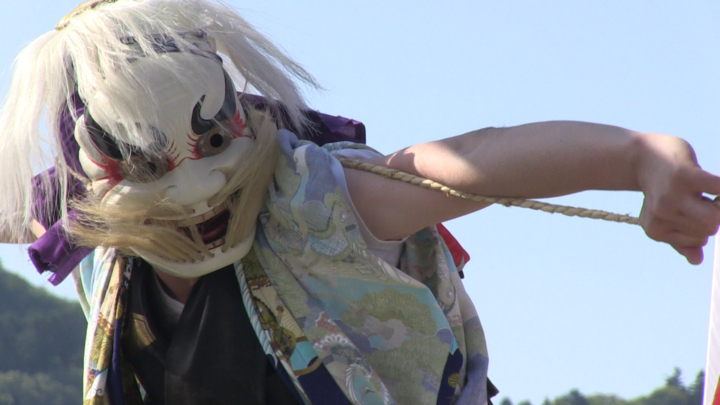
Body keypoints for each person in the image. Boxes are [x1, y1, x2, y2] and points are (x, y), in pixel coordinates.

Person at [1, 0, 718, 404]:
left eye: (213, 140)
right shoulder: (96, 232)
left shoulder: (318, 205)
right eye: (147, 165)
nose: (196, 189)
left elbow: (474, 160)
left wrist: (636, 158)